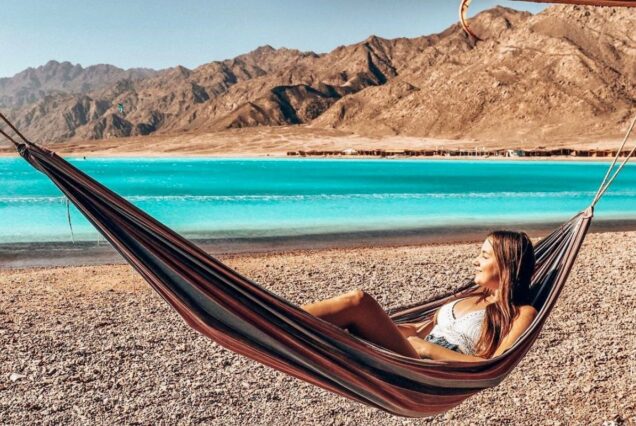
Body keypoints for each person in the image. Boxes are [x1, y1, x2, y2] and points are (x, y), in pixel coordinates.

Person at [302, 231, 538, 361]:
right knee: (356, 314)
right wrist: (378, 329)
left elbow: (493, 366)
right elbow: (418, 331)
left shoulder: (522, 313)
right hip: (408, 350)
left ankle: (275, 317)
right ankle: (275, 322)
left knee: (359, 302)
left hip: (426, 369)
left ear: (508, 264)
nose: (475, 261)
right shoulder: (471, 297)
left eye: (484, 256)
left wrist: (427, 350)